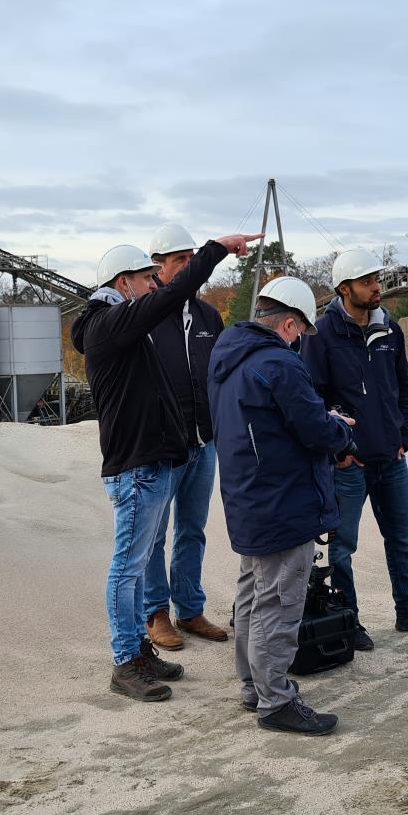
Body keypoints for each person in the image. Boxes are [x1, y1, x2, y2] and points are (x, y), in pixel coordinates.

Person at [71, 231, 259, 703]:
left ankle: (139, 651)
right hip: (135, 466)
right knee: (127, 568)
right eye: (146, 278)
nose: (153, 285)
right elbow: (174, 293)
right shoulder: (108, 322)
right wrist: (217, 249)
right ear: (124, 283)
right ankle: (125, 662)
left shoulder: (117, 323)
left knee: (136, 564)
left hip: (152, 461)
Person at [208, 276, 359, 735]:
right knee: (279, 600)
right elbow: (313, 429)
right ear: (289, 324)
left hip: (250, 497)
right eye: (301, 333)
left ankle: (254, 686)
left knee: (253, 594)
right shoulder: (277, 362)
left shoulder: (227, 357)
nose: (301, 343)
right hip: (283, 500)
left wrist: (319, 420)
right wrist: (340, 429)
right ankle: (275, 701)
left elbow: (273, 422)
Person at [301, 247, 408, 651]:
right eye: (367, 281)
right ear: (344, 288)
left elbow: (405, 387)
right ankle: (348, 619)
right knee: (342, 548)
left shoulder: (391, 330)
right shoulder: (321, 335)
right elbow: (313, 399)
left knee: (401, 539)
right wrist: (338, 451)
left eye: (376, 279)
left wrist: (402, 437)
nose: (376, 287)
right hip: (349, 465)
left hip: (391, 459)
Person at [142, 222, 229, 652]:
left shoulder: (209, 316)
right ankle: (156, 613)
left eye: (191, 258)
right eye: (180, 259)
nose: (189, 266)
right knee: (154, 535)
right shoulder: (146, 314)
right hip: (162, 446)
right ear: (157, 266)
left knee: (192, 529)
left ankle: (190, 609)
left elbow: (221, 376)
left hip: (203, 442)